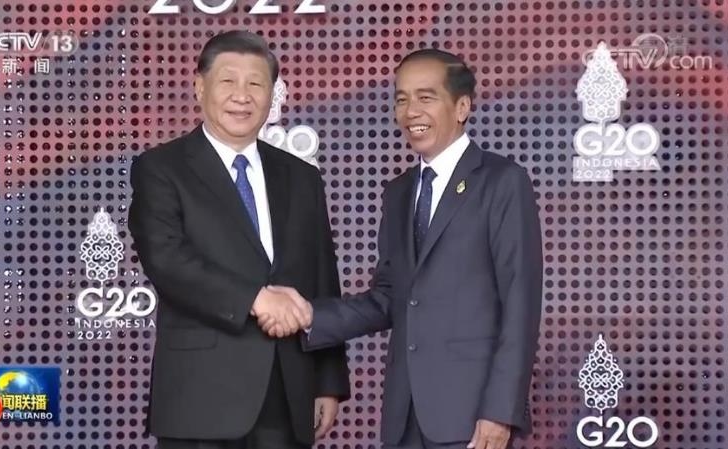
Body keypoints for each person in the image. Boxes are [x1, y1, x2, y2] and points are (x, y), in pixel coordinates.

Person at [261, 49, 543, 449]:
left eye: (426, 97)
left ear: (462, 107)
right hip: (404, 414)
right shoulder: (399, 191)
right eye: (402, 99)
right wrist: (310, 315)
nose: (411, 112)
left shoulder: (501, 182)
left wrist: (500, 411)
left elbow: (520, 304)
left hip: (472, 416)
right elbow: (388, 299)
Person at [128, 30, 350, 449]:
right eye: (228, 81)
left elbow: (323, 279)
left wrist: (328, 381)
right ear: (200, 87)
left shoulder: (302, 177)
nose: (242, 96)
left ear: (272, 94)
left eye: (256, 84)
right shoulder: (161, 168)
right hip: (200, 398)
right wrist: (256, 299)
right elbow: (167, 260)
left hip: (288, 390)